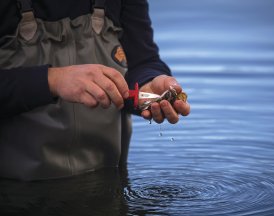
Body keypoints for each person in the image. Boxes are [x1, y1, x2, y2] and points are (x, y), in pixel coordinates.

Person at [0, 0, 190, 180]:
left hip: (108, 183)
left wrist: (149, 82)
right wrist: (52, 80)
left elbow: (141, 60)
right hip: (14, 193)